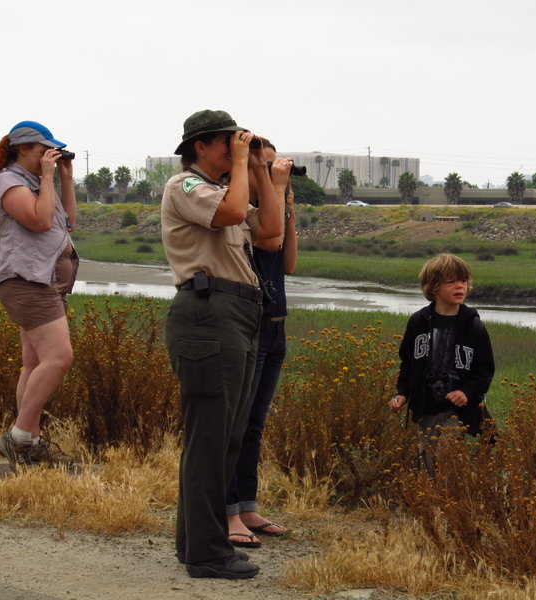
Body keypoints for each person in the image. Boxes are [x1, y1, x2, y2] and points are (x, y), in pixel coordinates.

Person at [161, 110, 287, 580]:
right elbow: (233, 213)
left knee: (224, 438)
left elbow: (271, 232)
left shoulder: (222, 188)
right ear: (200, 147)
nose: (235, 149)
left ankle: (195, 544)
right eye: (226, 143)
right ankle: (208, 554)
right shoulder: (186, 187)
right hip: (207, 314)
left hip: (235, 315)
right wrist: (241, 165)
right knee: (210, 439)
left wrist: (258, 170)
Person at [0, 120, 78, 471]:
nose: (47, 157)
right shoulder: (8, 181)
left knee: (35, 363)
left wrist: (64, 177)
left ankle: (30, 442)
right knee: (59, 357)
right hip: (26, 280)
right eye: (43, 151)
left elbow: (67, 222)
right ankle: (19, 436)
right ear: (23, 149)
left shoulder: (37, 182)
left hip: (44, 281)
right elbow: (39, 222)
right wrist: (45, 176)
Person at [226, 139, 296, 547]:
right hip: (250, 325)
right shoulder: (244, 214)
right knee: (235, 424)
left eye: (274, 166)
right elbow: (269, 241)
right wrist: (275, 193)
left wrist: (290, 204)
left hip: (276, 327)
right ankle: (229, 510)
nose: (272, 172)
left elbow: (287, 261)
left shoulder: (273, 209)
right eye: (264, 166)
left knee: (254, 424)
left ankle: (247, 505)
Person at [390, 253, 495, 473]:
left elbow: (484, 370)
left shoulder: (474, 326)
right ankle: (432, 506)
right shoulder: (418, 322)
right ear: (433, 287)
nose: (460, 287)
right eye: (451, 281)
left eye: (464, 281)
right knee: (427, 466)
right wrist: (402, 394)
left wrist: (466, 391)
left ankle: (451, 504)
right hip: (425, 410)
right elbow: (407, 364)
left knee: (447, 459)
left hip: (458, 411)